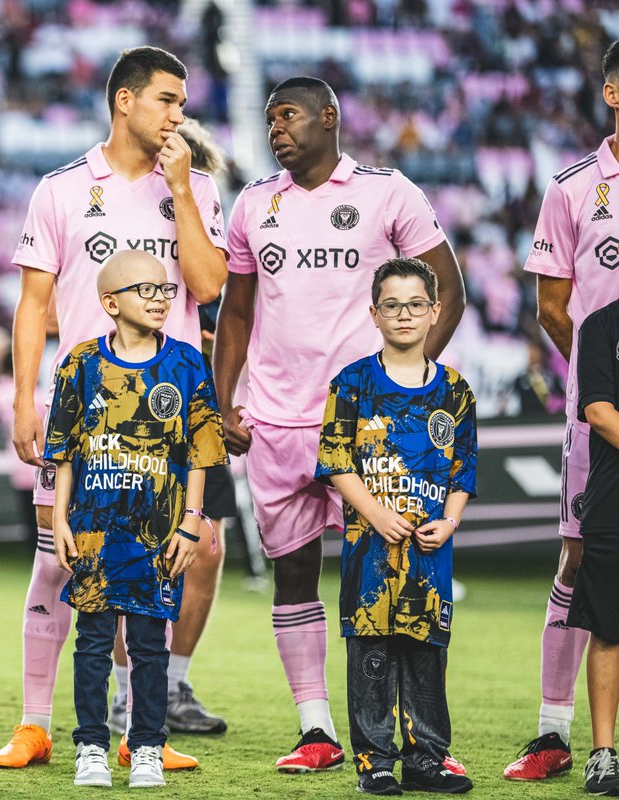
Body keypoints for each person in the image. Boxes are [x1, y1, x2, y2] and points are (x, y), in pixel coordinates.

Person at [212, 76, 465, 772]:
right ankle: (316, 729)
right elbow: (235, 312)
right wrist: (220, 399)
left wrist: (401, 391)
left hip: (367, 430)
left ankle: (413, 739)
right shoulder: (253, 203)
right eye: (269, 120)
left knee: (391, 576)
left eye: (288, 115)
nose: (276, 129)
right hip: (274, 423)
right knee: (293, 576)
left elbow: (450, 292)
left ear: (329, 117)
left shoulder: (389, 192)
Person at [0, 45, 230, 771]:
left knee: (176, 559)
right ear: (124, 100)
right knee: (59, 561)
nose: (178, 114)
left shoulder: (191, 186)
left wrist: (184, 194)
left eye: (183, 103)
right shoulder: (62, 188)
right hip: (85, 411)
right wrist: (26, 400)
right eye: (167, 99)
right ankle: (36, 723)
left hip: (168, 413)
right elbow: (34, 304)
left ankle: (138, 730)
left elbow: (208, 282)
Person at [46, 250, 225, 789]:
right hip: (95, 532)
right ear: (109, 302)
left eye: (164, 290)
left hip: (160, 532)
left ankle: (147, 746)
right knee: (93, 642)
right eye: (144, 290)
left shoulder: (188, 362)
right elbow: (64, 451)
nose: (159, 299)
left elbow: (201, 452)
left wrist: (191, 522)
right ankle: (91, 749)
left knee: (151, 643)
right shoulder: (80, 363)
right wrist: (59, 519)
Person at [315, 258, 476, 796]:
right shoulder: (352, 382)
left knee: (427, 656)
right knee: (371, 658)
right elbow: (336, 461)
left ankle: (427, 760)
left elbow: (463, 470)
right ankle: (375, 763)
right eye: (392, 305)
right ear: (374, 314)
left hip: (429, 562)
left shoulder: (455, 392)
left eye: (415, 305)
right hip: (369, 557)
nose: (403, 314)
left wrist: (450, 521)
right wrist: (376, 513)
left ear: (434, 312)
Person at [506, 39, 619, 782]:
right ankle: (555, 734)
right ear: (613, 93)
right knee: (581, 559)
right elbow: (552, 307)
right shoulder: (577, 187)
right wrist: (603, 376)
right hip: (601, 412)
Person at [109, 115, 236, 738]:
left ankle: (174, 681)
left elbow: (217, 290)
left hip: (194, 399)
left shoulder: (196, 200)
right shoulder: (108, 205)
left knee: (206, 550)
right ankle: (125, 690)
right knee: (127, 549)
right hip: (131, 401)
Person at [567, 295, 619, 796]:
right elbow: (600, 412)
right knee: (609, 627)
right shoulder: (602, 325)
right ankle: (603, 755)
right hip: (614, 502)